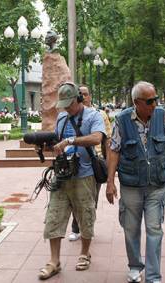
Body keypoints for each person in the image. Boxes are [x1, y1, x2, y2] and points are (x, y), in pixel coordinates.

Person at [106, 81, 165, 283]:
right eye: (150, 101)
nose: (155, 104)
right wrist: (110, 181)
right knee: (131, 228)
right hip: (131, 185)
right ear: (137, 102)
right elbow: (113, 149)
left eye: (156, 99)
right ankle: (135, 266)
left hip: (157, 184)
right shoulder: (122, 120)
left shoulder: (162, 115)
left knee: (154, 228)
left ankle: (153, 276)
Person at [38, 82, 106, 280]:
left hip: (84, 175)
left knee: (85, 215)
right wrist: (47, 145)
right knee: (54, 215)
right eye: (64, 104)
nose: (67, 108)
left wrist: (70, 141)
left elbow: (96, 138)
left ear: (79, 98)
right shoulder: (61, 117)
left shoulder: (93, 116)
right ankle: (54, 261)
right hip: (62, 174)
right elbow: (58, 139)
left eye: (70, 103)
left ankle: (84, 253)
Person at [67, 85, 112, 241]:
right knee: (73, 198)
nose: (84, 97)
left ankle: (86, 227)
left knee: (92, 198)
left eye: (86, 94)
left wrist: (108, 163)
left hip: (95, 162)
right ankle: (76, 227)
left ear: (90, 96)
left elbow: (107, 140)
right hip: (74, 161)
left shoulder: (100, 115)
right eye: (81, 94)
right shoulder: (68, 116)